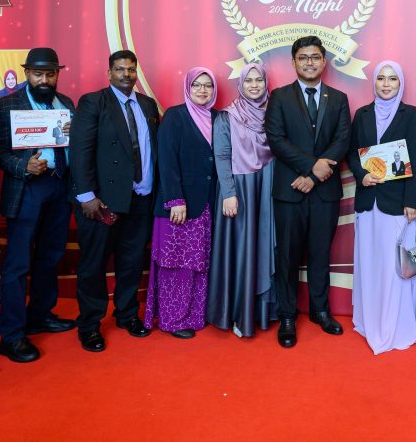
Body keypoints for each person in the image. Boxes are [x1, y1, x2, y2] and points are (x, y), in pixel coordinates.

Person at [264, 36, 351, 348]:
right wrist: (312, 167)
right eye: (303, 58)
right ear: (294, 62)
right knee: (287, 255)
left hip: (324, 192)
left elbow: (342, 140)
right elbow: (276, 139)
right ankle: (287, 315)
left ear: (324, 61)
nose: (309, 62)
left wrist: (313, 176)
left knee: (320, 254)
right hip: (290, 191)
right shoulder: (279, 97)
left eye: (315, 57)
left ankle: (320, 310)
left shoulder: (338, 99)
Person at [70, 50, 158, 352]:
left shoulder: (147, 105)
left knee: (131, 262)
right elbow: (80, 150)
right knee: (94, 265)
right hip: (102, 202)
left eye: (131, 70)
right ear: (109, 73)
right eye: (120, 69)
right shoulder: (93, 102)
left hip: (141, 198)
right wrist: (86, 195)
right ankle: (90, 325)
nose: (126, 75)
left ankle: (127, 314)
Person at [0, 48, 76, 363]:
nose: (44, 79)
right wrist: (22, 166)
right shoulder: (6, 105)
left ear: (57, 75)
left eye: (50, 74)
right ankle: (12, 335)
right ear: (27, 73)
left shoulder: (65, 103)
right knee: (17, 263)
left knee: (50, 256)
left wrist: (73, 136)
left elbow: (75, 145)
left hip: (59, 186)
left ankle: (40, 315)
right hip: (26, 187)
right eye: (38, 74)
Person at [347, 60, 416, 354]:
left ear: (400, 83)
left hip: (398, 206)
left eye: (393, 79)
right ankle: (370, 321)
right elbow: (352, 154)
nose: (386, 84)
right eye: (381, 78)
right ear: (375, 82)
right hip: (368, 203)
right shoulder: (362, 114)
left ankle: (397, 326)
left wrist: (411, 202)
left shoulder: (411, 114)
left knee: (395, 268)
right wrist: (361, 175)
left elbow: (415, 159)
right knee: (370, 264)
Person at [144, 68, 218, 339]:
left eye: (208, 85)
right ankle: (172, 320)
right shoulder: (175, 116)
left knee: (198, 263)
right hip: (178, 207)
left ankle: (195, 316)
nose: (202, 90)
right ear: (188, 88)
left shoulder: (218, 118)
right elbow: (166, 160)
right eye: (196, 85)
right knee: (174, 264)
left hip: (206, 205)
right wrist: (175, 199)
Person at [206, 63, 277, 338]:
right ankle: (239, 313)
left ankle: (262, 313)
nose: (254, 85)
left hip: (267, 187)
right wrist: (228, 194)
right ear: (241, 84)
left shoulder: (275, 112)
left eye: (259, 80)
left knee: (263, 246)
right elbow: (222, 155)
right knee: (242, 250)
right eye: (249, 81)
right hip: (240, 189)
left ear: (266, 83)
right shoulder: (228, 116)